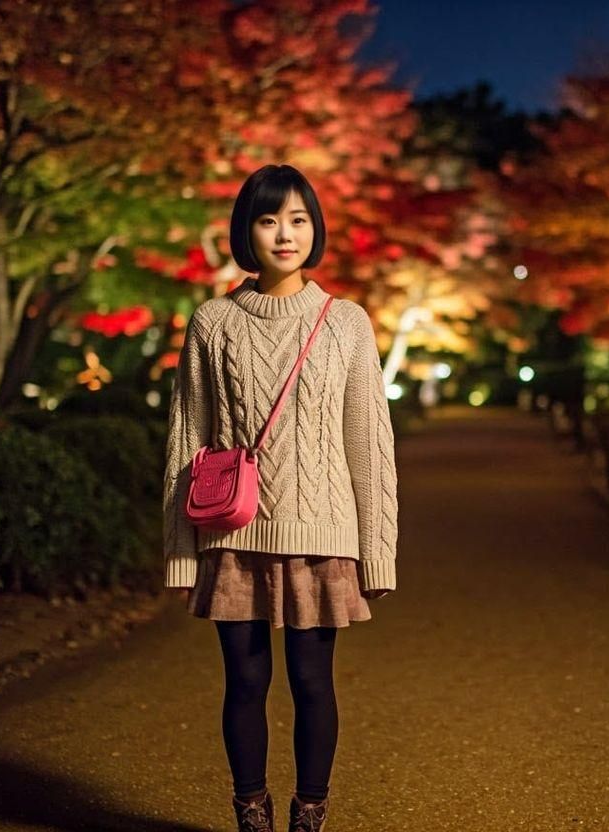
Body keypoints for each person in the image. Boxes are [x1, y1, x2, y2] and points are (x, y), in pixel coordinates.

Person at [161, 163, 399, 832]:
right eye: (268, 220)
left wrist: (377, 553)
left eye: (298, 219)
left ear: (315, 229)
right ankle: (251, 812)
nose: (284, 233)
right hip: (233, 536)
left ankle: (309, 814)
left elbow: (369, 445)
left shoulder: (346, 322)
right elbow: (188, 438)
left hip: (323, 535)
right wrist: (181, 554)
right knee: (243, 682)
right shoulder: (212, 321)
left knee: (313, 681)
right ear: (247, 231)